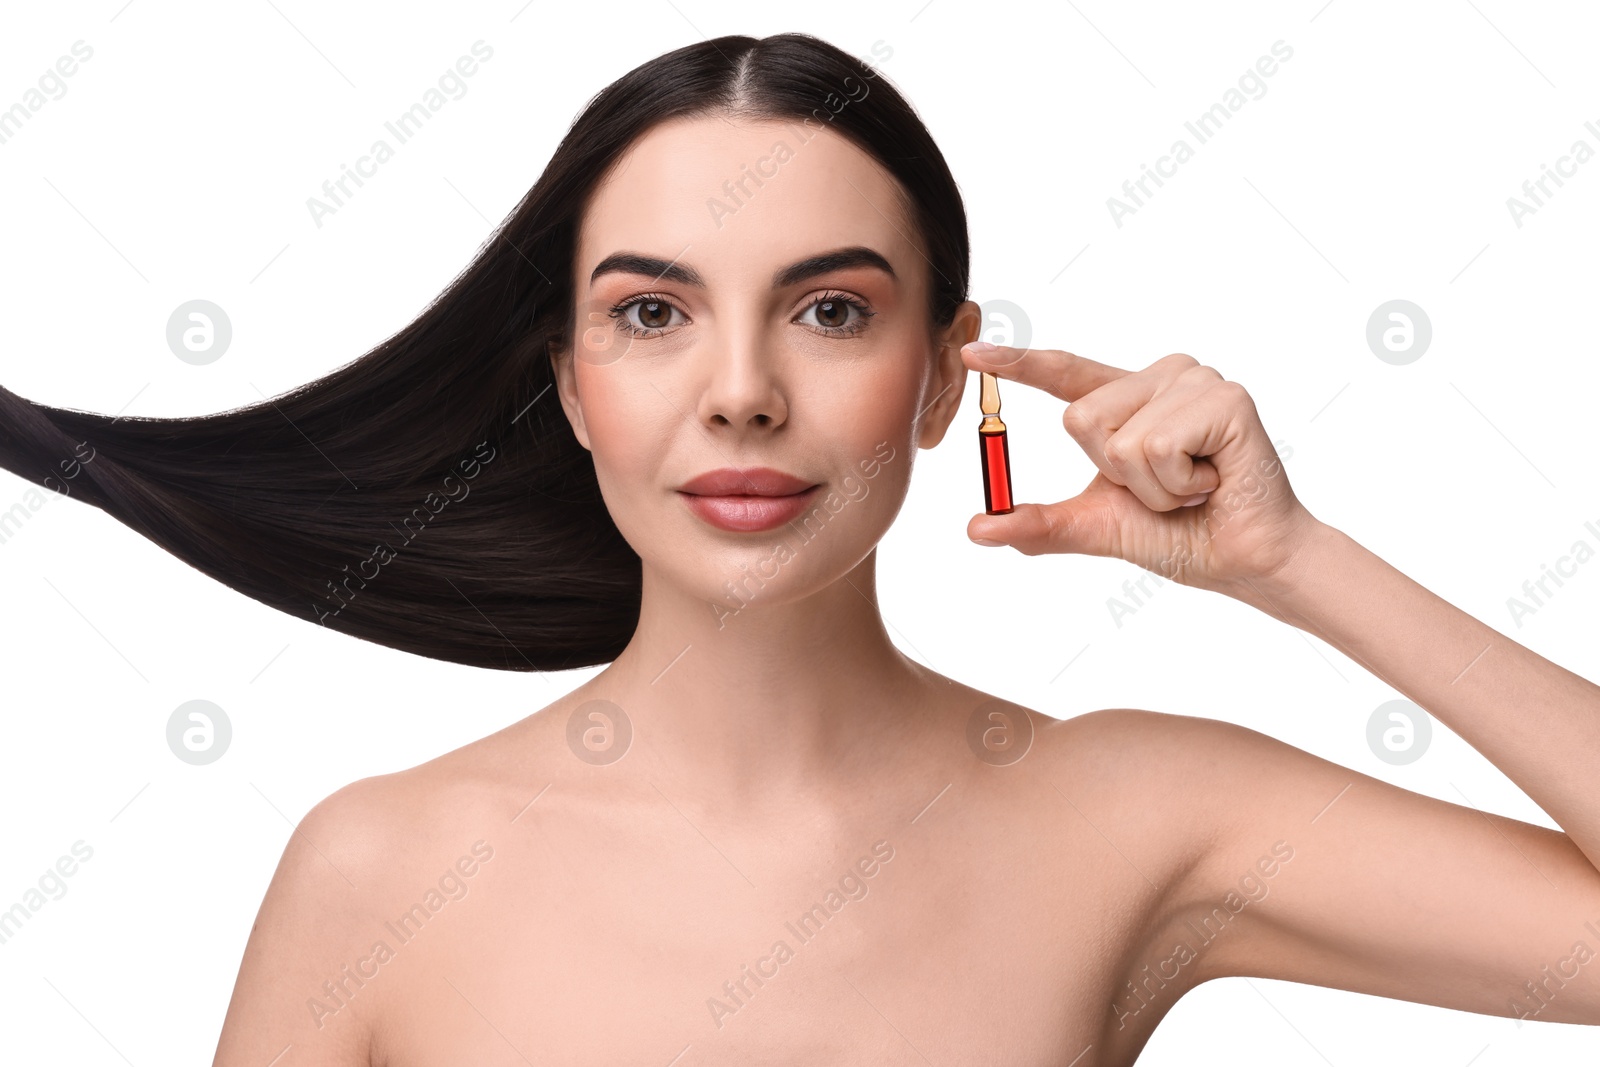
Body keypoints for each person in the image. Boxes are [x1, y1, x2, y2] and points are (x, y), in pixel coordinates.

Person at [2, 32, 1595, 1067]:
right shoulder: (380, 868)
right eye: (651, 315)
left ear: (940, 375)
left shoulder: (1130, 815)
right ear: (567, 380)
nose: (745, 393)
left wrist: (1289, 558)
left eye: (832, 311)